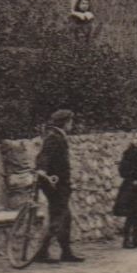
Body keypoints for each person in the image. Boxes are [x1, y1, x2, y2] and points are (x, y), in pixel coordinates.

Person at [33, 109, 84, 263]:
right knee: (58, 217)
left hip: (59, 184)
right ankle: (41, 252)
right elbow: (44, 156)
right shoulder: (53, 137)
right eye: (70, 121)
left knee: (65, 217)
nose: (71, 124)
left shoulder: (57, 135)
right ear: (65, 122)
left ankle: (66, 252)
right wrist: (42, 170)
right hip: (55, 185)